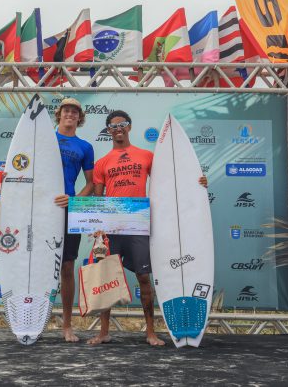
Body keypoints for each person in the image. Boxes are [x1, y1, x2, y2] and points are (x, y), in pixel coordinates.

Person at [87, 110, 207, 346]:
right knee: (106, 278)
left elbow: (170, 181)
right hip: (112, 227)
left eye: (123, 124)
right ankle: (103, 332)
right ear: (108, 131)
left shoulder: (146, 156)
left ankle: (150, 332)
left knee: (143, 277)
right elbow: (98, 199)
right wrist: (98, 228)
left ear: (129, 127)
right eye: (113, 126)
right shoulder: (101, 163)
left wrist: (198, 181)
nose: (118, 128)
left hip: (137, 224)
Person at [51, 97, 95, 343]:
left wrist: (75, 201)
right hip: (41, 209)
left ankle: (67, 325)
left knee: (67, 266)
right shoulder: (43, 138)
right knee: (36, 264)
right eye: (66, 110)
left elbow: (91, 183)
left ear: (80, 117)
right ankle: (32, 319)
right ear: (59, 114)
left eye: (74, 111)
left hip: (69, 209)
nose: (70, 114)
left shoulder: (85, 147)